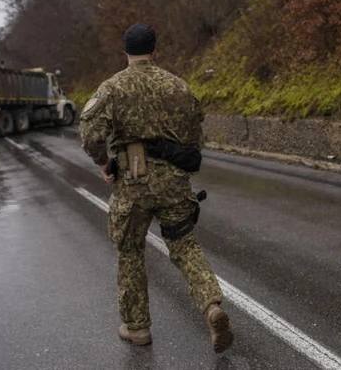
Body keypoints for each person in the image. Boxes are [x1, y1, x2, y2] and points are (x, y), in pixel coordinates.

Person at [78, 23, 233, 354]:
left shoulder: (112, 88)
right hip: (175, 183)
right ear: (155, 50)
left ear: (126, 52)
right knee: (184, 245)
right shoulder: (178, 87)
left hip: (132, 183)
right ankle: (210, 306)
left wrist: (104, 162)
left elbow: (90, 134)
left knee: (131, 252)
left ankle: (138, 329)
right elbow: (195, 137)